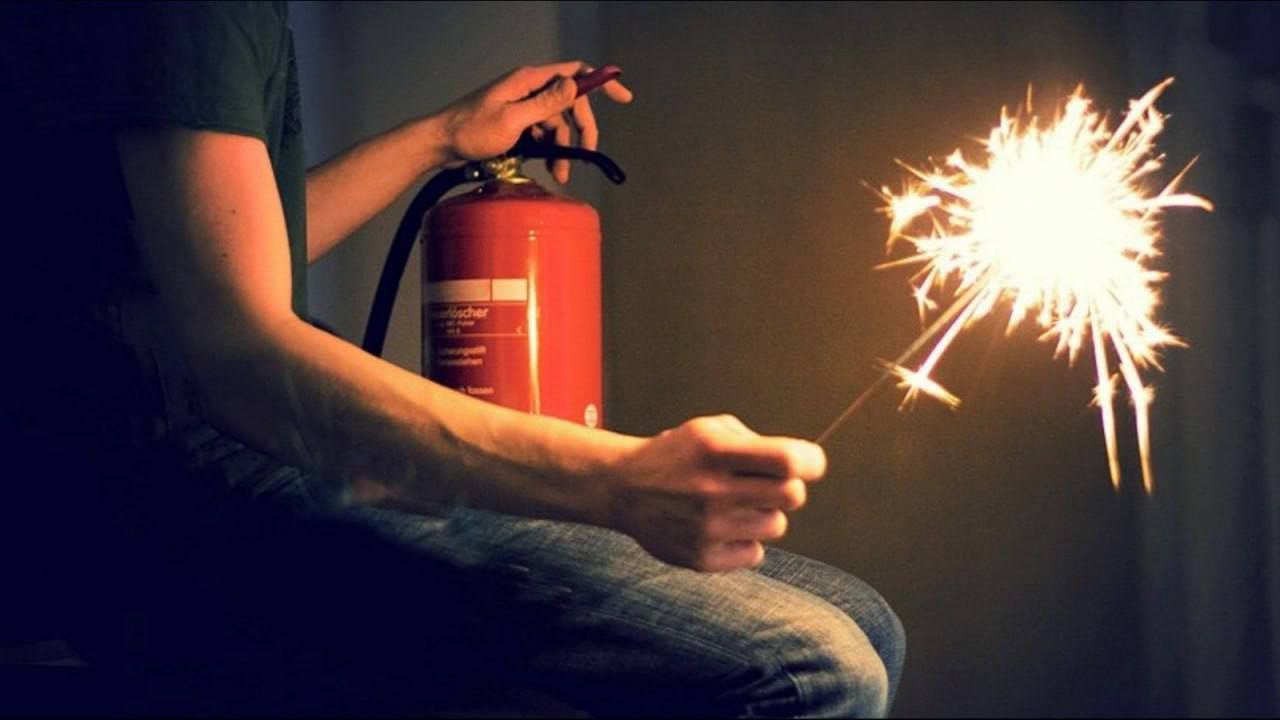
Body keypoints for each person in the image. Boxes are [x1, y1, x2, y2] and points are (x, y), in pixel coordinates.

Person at [0, 2, 904, 716]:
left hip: (210, 461)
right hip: (150, 507)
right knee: (811, 667)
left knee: (870, 624)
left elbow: (207, 260)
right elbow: (243, 360)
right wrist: (617, 482)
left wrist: (444, 136)